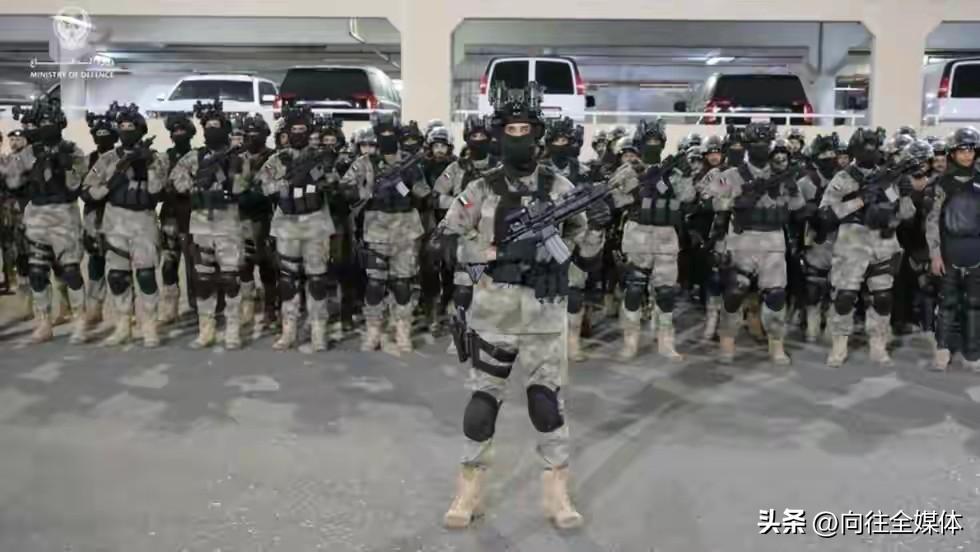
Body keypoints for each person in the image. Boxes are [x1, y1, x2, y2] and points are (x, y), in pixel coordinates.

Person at [440, 82, 604, 530]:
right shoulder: (479, 188)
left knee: (546, 404)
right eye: (510, 130)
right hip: (494, 311)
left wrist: (597, 229)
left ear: (538, 134)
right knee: (482, 403)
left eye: (525, 129)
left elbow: (584, 252)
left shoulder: (561, 187)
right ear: (499, 135)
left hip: (545, 312)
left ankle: (556, 492)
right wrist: (495, 252)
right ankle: (468, 490)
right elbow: (447, 240)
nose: (519, 137)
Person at [707, 123, 805, 365]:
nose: (761, 147)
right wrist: (739, 198)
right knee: (734, 293)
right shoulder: (732, 174)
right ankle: (727, 342)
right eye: (755, 144)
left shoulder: (781, 175)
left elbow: (798, 207)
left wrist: (792, 188)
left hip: (773, 240)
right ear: (747, 146)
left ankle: (776, 345)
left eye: (765, 143)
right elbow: (712, 201)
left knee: (776, 296)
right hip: (742, 239)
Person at [820, 128, 917, 367]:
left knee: (882, 297)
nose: (870, 153)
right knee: (844, 297)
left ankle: (878, 343)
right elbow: (826, 214)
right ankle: (839, 344)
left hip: (883, 241)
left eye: (874, 149)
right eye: (865, 149)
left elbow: (906, 215)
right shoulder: (842, 178)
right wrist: (860, 200)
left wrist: (905, 195)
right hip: (852, 241)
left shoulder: (887, 178)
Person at [341, 114, 430, 353]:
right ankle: (373, 330)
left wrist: (409, 183)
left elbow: (424, 194)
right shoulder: (364, 163)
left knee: (402, 283)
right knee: (375, 284)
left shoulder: (409, 162)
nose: (387, 138)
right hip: (376, 230)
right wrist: (369, 192)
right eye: (383, 134)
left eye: (391, 133)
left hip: (406, 230)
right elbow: (345, 187)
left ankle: (402, 330)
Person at [82, 103, 167, 347]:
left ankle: (149, 325)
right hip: (115, 220)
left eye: (131, 127)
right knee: (117, 276)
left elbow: (157, 191)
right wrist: (113, 180)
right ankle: (123, 324)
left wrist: (147, 164)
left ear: (141, 130)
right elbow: (88, 191)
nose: (126, 131)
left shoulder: (156, 158)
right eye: (122, 127)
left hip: (143, 221)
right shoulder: (108, 158)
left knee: (146, 275)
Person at [4, 98, 89, 343]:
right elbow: (13, 181)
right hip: (37, 215)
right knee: (37, 271)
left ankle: (80, 320)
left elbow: (77, 183)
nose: (45, 126)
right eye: (41, 122)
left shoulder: (72, 150)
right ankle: (44, 322)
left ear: (60, 123)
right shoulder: (29, 152)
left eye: (49, 122)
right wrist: (32, 167)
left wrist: (65, 166)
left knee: (70, 271)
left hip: (64, 215)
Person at [610, 118, 694, 360]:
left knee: (666, 292)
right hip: (638, 233)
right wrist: (639, 189)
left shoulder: (673, 171)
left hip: (666, 235)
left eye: (657, 141)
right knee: (634, 288)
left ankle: (666, 342)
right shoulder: (628, 170)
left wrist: (685, 175)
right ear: (640, 143)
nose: (653, 145)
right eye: (649, 141)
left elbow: (688, 197)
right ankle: (630, 342)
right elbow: (614, 198)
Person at [171, 99, 252, 349]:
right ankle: (205, 330)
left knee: (230, 279)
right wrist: (200, 183)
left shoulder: (237, 157)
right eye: (207, 126)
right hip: (201, 225)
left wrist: (228, 172)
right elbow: (178, 182)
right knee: (203, 280)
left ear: (225, 129)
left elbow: (241, 186)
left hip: (228, 225)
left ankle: (232, 330)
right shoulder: (192, 157)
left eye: (216, 126)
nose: (211, 131)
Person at [257, 105, 338, 351]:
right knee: (288, 281)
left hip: (316, 225)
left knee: (317, 280)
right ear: (287, 133)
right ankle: (288, 330)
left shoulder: (320, 157)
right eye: (295, 130)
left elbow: (334, 182)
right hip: (287, 227)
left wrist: (321, 179)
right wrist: (288, 182)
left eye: (303, 130)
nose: (299, 134)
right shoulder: (277, 160)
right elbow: (263, 187)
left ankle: (318, 330)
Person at [541, 117, 604, 361]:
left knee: (575, 292)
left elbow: (595, 204)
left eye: (564, 140)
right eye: (556, 140)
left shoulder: (583, 172)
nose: (561, 145)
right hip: (540, 239)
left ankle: (573, 343)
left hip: (572, 237)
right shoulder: (537, 172)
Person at [927, 127, 980, 372]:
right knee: (947, 303)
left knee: (974, 305)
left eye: (971, 149)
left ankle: (972, 352)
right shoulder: (941, 183)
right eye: (962, 150)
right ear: (952, 153)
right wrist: (935, 255)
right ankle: (942, 349)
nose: (967, 154)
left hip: (976, 251)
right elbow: (932, 222)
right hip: (949, 251)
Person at [797, 134, 842, 342]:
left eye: (832, 154)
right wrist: (809, 213)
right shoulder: (806, 182)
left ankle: (832, 325)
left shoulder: (845, 180)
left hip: (842, 237)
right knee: (813, 285)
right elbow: (795, 210)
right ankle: (812, 325)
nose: (829, 158)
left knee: (839, 285)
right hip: (815, 238)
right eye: (824, 155)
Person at [236, 114, 278, 330]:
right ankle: (248, 307)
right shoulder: (237, 158)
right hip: (241, 218)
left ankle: (270, 308)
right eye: (249, 133)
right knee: (244, 265)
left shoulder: (273, 157)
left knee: (267, 265)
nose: (252, 137)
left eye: (257, 133)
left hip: (265, 217)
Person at [80, 108, 118, 330]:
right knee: (95, 263)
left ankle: (128, 310)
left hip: (118, 218)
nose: (102, 139)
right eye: (98, 135)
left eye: (107, 135)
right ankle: (94, 309)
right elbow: (81, 188)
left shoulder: (122, 157)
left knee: (121, 266)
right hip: (94, 218)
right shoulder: (88, 160)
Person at [158, 112, 197, 324]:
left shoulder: (198, 157)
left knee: (195, 265)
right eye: (175, 131)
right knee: (169, 265)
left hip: (192, 218)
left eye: (182, 130)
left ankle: (197, 306)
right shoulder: (165, 158)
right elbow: (158, 187)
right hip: (170, 218)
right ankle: (170, 308)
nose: (178, 134)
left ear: (190, 133)